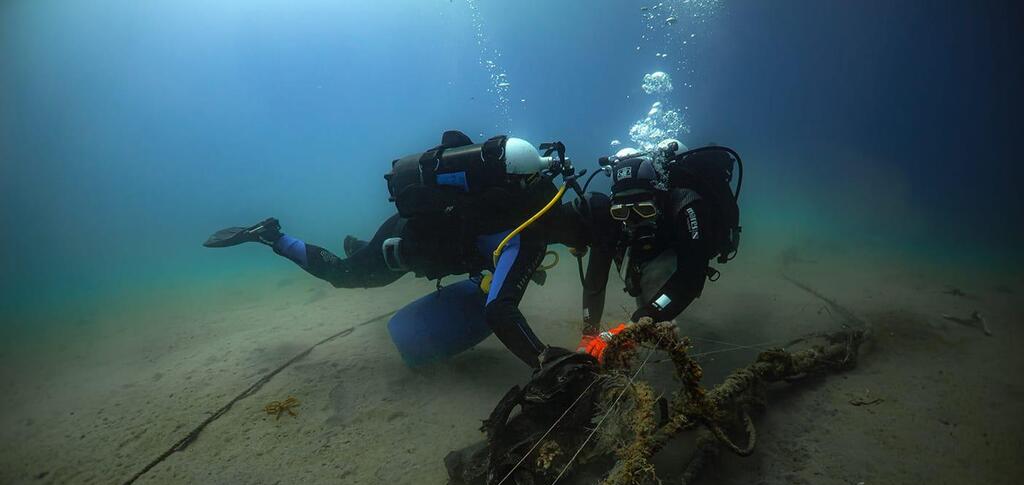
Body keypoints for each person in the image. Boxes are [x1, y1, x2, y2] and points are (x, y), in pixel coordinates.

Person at [205, 130, 570, 368]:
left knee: (363, 257)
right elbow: (499, 310)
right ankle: (273, 237)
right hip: (404, 247)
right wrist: (544, 359)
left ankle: (360, 246)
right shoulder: (524, 228)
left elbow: (479, 239)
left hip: (409, 233)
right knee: (345, 275)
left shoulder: (500, 193)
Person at [572, 141, 742, 360]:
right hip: (653, 250)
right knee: (644, 291)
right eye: (622, 212)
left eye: (644, 210)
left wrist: (639, 321)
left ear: (659, 199)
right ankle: (656, 315)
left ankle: (658, 318)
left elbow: (691, 277)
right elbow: (595, 277)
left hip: (682, 245)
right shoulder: (614, 219)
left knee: (656, 294)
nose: (633, 221)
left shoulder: (686, 205)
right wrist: (589, 332)